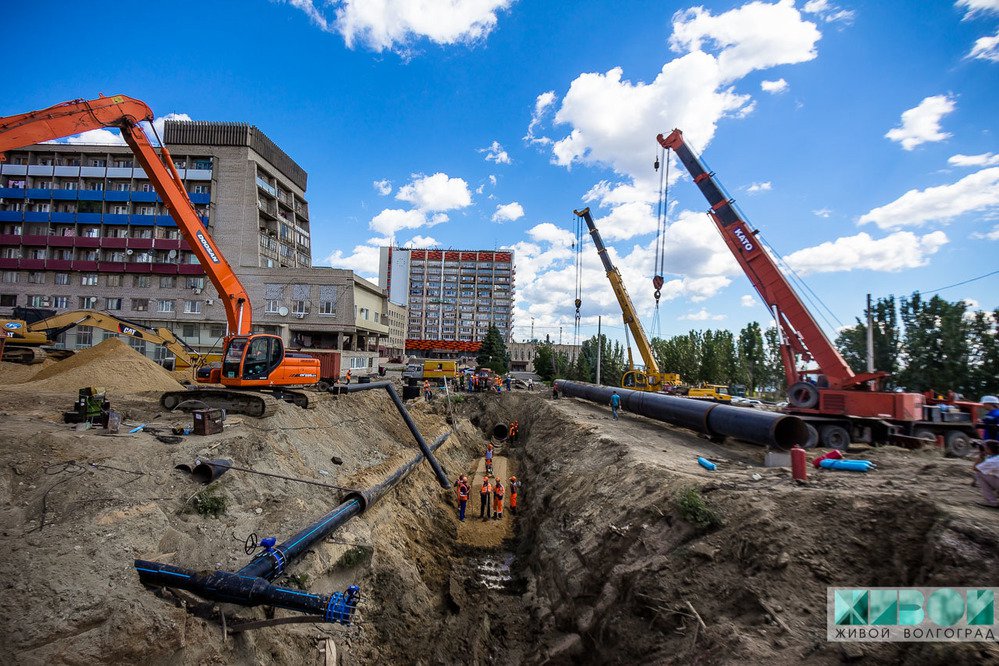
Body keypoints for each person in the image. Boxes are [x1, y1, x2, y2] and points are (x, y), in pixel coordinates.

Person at [974, 439, 999, 508]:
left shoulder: (991, 461)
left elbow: (975, 468)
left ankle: (992, 501)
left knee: (979, 474)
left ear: (989, 449)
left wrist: (980, 456)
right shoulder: (994, 458)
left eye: (985, 447)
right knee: (992, 473)